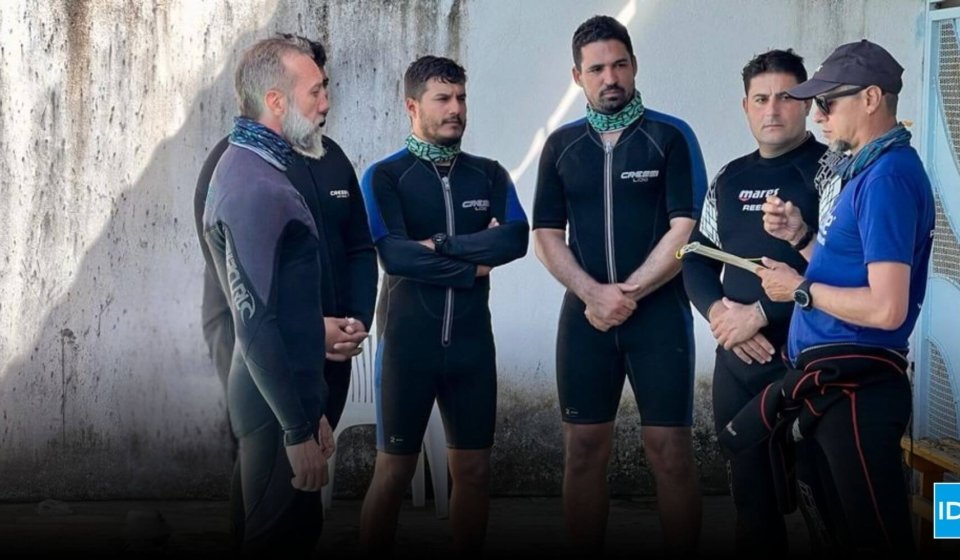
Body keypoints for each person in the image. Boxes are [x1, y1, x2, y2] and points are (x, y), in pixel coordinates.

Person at [194, 34, 376, 548]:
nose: (326, 102)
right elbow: (251, 307)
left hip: (306, 369)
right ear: (277, 99)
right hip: (271, 369)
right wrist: (297, 424)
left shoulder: (314, 159)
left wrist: (354, 319)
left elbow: (358, 247)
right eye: (315, 90)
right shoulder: (247, 177)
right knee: (274, 520)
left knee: (294, 521)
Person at [532, 15, 705, 554]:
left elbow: (687, 228)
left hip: (657, 317)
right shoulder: (560, 146)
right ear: (577, 76)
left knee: (669, 451)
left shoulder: (669, 137)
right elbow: (545, 233)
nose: (611, 77)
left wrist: (625, 293)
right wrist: (592, 293)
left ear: (634, 66)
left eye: (620, 64)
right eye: (598, 68)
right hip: (585, 319)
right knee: (583, 449)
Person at [755, 39, 934, 552]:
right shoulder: (868, 172)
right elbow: (857, 277)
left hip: (857, 387)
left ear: (872, 98)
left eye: (828, 102)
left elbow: (887, 307)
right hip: (833, 383)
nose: (818, 116)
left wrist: (799, 291)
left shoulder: (888, 177)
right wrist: (802, 240)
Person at [358, 55, 529, 554]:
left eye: (461, 98)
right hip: (409, 348)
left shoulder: (490, 175)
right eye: (443, 99)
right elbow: (393, 255)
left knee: (473, 472)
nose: (456, 109)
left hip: (473, 350)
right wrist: (476, 261)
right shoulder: (386, 177)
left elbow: (516, 240)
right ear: (412, 105)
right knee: (392, 472)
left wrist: (440, 245)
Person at [681, 49, 837, 553]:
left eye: (787, 97)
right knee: (752, 505)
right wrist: (722, 316)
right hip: (740, 366)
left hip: (811, 361)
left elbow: (845, 272)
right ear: (745, 106)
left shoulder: (833, 171)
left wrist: (761, 314)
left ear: (808, 102)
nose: (773, 110)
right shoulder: (729, 179)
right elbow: (696, 260)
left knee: (825, 502)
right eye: (761, 99)